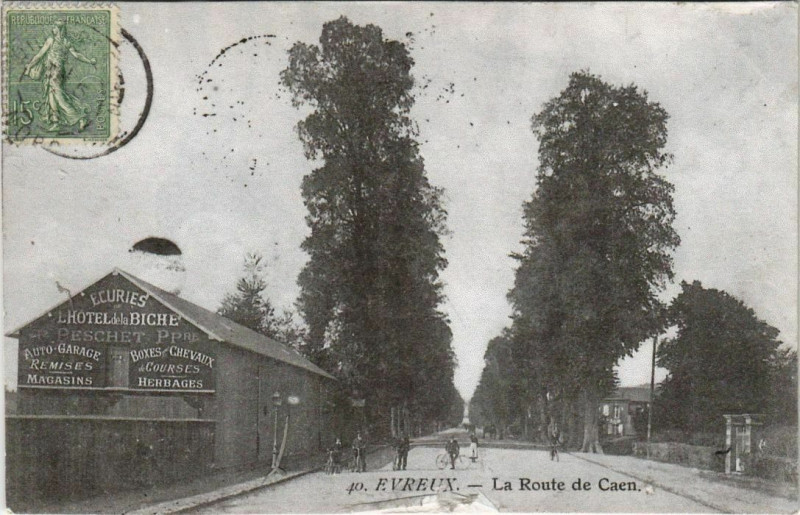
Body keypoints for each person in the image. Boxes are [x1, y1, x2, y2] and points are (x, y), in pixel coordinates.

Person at [23, 20, 96, 132]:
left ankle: (80, 117)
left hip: (55, 73)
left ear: (59, 29)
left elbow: (39, 55)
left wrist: (29, 66)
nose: (53, 29)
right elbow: (77, 55)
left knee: (59, 97)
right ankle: (56, 122)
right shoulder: (66, 42)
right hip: (53, 72)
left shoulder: (51, 40)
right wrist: (90, 61)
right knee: (52, 96)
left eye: (55, 28)